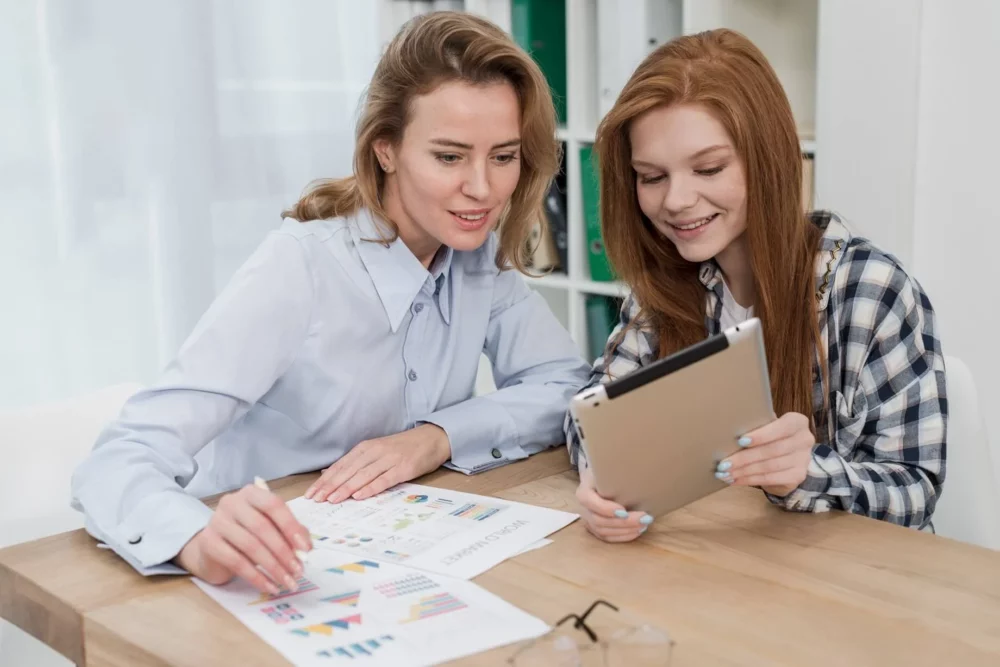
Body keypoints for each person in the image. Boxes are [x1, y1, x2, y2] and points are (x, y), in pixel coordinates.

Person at [71, 11, 590, 594]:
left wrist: (434, 437)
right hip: (263, 576)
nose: (483, 188)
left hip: (404, 563)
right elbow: (119, 458)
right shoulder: (298, 267)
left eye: (503, 156)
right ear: (386, 150)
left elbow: (566, 386)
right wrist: (195, 539)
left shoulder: (476, 254)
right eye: (449, 156)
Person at [567, 29, 947, 543]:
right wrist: (599, 473)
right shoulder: (663, 283)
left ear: (767, 160)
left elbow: (915, 491)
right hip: (732, 571)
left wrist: (807, 472)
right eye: (651, 177)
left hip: (857, 586)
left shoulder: (870, 292)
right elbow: (592, 411)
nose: (676, 200)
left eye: (708, 168)